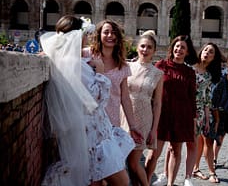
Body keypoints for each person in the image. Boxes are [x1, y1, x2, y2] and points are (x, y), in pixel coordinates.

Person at [40, 15, 135, 186]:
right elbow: (97, 100)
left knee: (97, 181)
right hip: (93, 135)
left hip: (94, 131)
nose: (86, 38)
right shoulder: (78, 64)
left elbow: (124, 97)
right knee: (119, 181)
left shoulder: (73, 61)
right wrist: (100, 72)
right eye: (84, 34)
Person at [145, 35, 198, 186]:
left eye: (183, 47)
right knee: (153, 153)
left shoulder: (189, 72)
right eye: (177, 46)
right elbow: (150, 88)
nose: (179, 49)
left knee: (176, 151)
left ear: (187, 52)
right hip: (161, 115)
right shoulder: (161, 65)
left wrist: (193, 120)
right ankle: (145, 182)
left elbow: (192, 97)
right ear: (172, 47)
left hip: (182, 116)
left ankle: (170, 184)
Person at [120, 30, 164, 186]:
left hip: (144, 118)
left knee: (133, 162)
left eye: (149, 47)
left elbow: (157, 103)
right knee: (118, 160)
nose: (145, 50)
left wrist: (153, 130)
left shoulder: (158, 74)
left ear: (154, 51)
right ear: (137, 48)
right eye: (143, 46)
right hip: (123, 115)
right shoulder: (126, 66)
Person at [91, 19, 143, 143]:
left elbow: (125, 97)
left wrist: (132, 126)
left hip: (111, 119)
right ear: (99, 35)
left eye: (113, 32)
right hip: (89, 117)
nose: (110, 35)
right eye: (106, 32)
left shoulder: (122, 65)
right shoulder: (88, 56)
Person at [191, 42, 222, 183]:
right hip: (187, 110)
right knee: (184, 144)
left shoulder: (209, 75)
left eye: (211, 52)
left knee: (206, 143)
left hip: (202, 113)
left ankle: (209, 171)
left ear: (213, 58)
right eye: (206, 50)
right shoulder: (189, 68)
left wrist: (208, 118)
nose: (207, 53)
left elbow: (207, 97)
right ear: (201, 51)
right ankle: (192, 170)